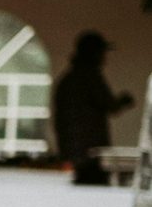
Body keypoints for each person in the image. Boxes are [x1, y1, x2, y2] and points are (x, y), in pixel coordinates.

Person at [52, 30, 134, 185]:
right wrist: (123, 101)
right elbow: (109, 105)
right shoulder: (88, 77)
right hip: (90, 156)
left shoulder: (69, 79)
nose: (104, 57)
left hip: (76, 153)